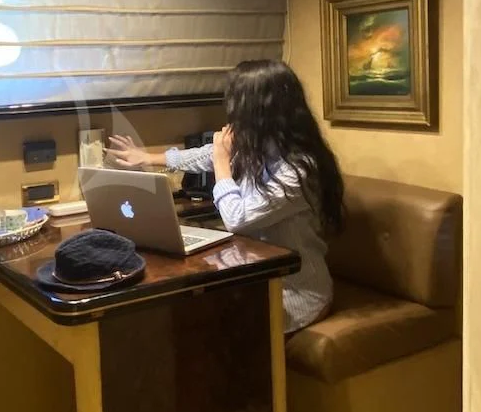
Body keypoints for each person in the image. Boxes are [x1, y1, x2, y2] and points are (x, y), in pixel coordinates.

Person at [108, 58, 343, 333]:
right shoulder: (259, 145)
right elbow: (203, 154)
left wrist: (222, 162)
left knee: (204, 328)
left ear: (260, 109)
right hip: (254, 279)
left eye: (236, 104)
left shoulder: (300, 168)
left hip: (296, 292)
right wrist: (147, 157)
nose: (231, 113)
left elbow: (237, 218)